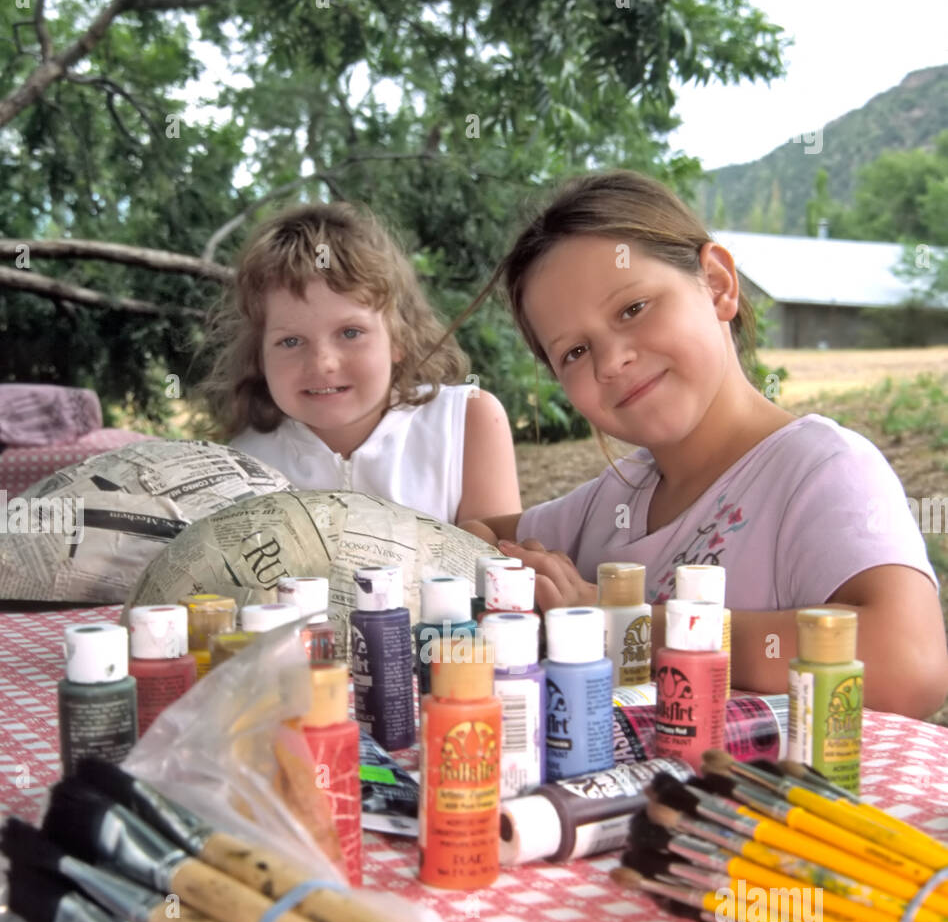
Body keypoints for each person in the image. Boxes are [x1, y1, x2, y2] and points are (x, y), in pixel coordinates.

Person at [460, 170, 948, 718]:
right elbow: (483, 535)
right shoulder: (613, 501)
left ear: (717, 284)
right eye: (574, 351)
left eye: (633, 309)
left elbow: (910, 663)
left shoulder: (821, 471)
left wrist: (619, 621)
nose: (611, 360)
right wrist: (482, 556)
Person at [200, 201, 520, 526]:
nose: (323, 362)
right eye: (291, 341)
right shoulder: (244, 465)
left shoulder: (465, 421)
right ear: (259, 357)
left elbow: (497, 564)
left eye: (350, 332)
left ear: (399, 339)